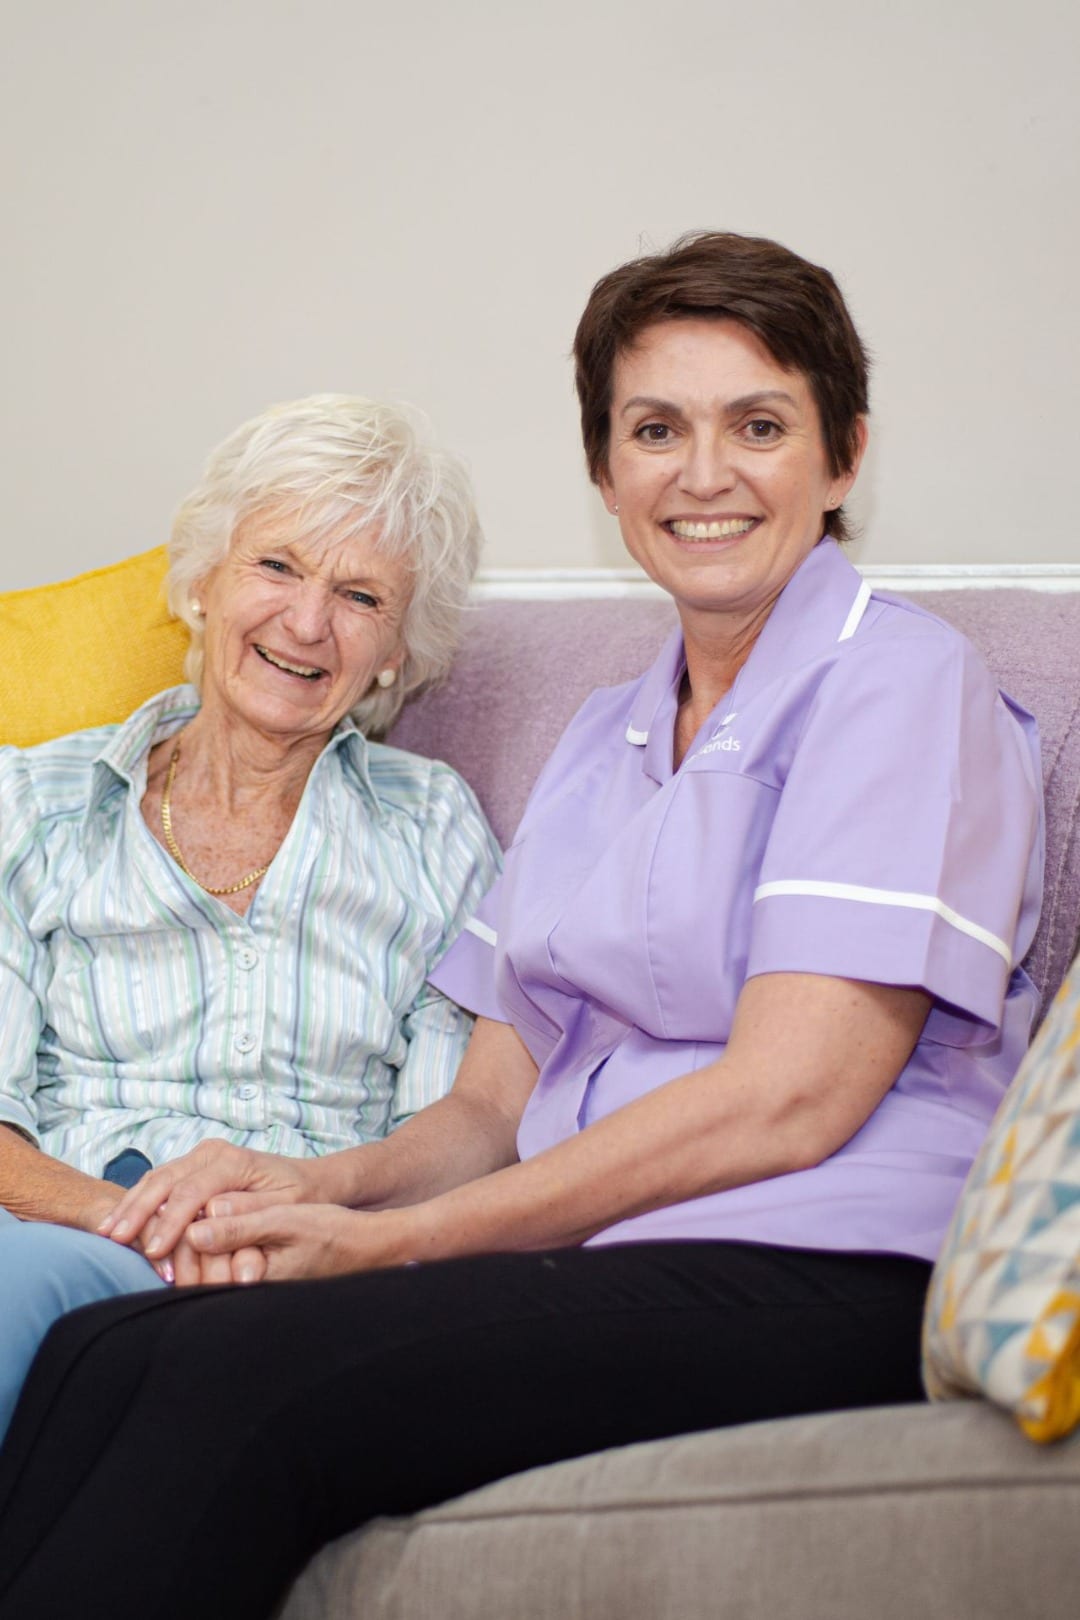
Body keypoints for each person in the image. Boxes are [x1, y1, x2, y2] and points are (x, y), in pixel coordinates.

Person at [0, 233, 1044, 1620]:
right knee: (113, 1352)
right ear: (608, 475)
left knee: (240, 1387)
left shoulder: (902, 683)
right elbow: (490, 1101)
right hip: (624, 1257)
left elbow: (793, 1098)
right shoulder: (605, 740)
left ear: (843, 456)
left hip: (823, 1263)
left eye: (761, 425)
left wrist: (397, 1244)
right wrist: (314, 1188)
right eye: (656, 429)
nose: (705, 472)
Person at [0, 394, 499, 1440]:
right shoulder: (31, 806)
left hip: (321, 1261)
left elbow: (461, 1132)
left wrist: (308, 1212)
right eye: (276, 566)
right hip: (67, 1240)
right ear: (201, 584)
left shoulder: (434, 826)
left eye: (359, 595)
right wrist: (131, 1225)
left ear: (396, 652)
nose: (307, 623)